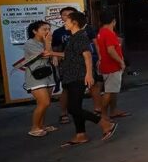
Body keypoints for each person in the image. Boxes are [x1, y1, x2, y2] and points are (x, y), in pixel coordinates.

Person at [59, 10, 116, 146]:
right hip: (71, 76)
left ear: (75, 23)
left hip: (77, 76)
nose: (64, 22)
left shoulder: (80, 36)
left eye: (66, 20)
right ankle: (81, 134)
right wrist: (51, 52)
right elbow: (71, 55)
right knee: (75, 107)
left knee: (73, 108)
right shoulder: (74, 36)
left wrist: (89, 74)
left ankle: (104, 124)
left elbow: (87, 55)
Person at [21, 20, 58, 137]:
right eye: (44, 29)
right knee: (44, 102)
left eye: (48, 29)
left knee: (45, 103)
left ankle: (41, 125)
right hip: (36, 77)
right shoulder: (30, 43)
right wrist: (48, 42)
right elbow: (46, 54)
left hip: (48, 75)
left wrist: (49, 44)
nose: (47, 32)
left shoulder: (46, 41)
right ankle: (34, 128)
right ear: (34, 31)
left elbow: (52, 56)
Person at [95, 9, 128, 120]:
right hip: (112, 66)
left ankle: (113, 110)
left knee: (112, 90)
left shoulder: (101, 32)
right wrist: (121, 62)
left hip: (106, 65)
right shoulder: (108, 33)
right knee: (109, 91)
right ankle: (104, 115)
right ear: (114, 21)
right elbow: (111, 50)